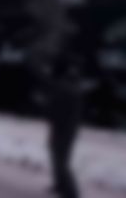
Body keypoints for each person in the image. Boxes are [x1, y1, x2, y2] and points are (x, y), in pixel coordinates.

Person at [47, 60, 82, 198]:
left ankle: (71, 192)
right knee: (59, 157)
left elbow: (58, 108)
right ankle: (61, 185)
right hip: (65, 127)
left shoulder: (65, 88)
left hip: (63, 128)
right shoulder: (71, 87)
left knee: (61, 160)